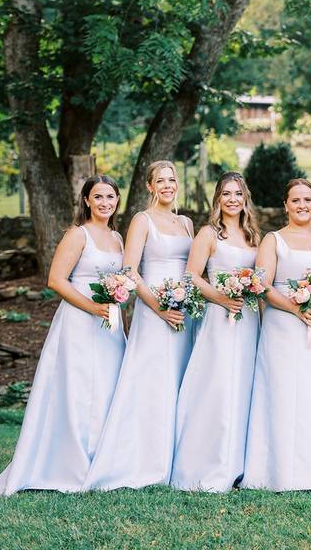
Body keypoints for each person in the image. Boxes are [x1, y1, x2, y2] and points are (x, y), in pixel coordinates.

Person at [0, 175, 127, 495]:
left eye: (111, 197)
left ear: (117, 201)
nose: (105, 202)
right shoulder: (78, 235)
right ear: (87, 201)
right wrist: (92, 308)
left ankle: (101, 459)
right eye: (99, 197)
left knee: (107, 387)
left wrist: (116, 301)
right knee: (77, 389)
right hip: (79, 324)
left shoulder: (118, 238)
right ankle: (71, 463)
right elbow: (56, 280)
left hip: (110, 324)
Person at [84, 161, 195, 491]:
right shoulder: (142, 220)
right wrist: (160, 308)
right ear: (149, 186)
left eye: (172, 179)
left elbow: (193, 269)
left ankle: (179, 460)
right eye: (160, 180)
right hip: (153, 309)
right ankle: (144, 459)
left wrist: (185, 301)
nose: (167, 185)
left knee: (181, 380)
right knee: (152, 380)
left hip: (184, 310)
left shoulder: (187, 222)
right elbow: (130, 271)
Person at [242, 179, 311, 491]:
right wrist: (296, 309)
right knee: (282, 394)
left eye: (307, 200)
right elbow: (263, 286)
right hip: (283, 325)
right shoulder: (273, 240)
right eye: (295, 200)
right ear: (285, 205)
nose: (302, 206)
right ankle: (278, 471)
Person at [171, 172, 261, 492]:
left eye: (238, 193)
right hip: (219, 318)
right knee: (218, 385)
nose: (233, 199)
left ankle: (238, 465)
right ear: (218, 199)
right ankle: (209, 463)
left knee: (244, 386)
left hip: (248, 320)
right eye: (226, 194)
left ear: (245, 197)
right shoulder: (209, 233)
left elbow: (260, 278)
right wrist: (221, 298)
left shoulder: (253, 236)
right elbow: (192, 275)